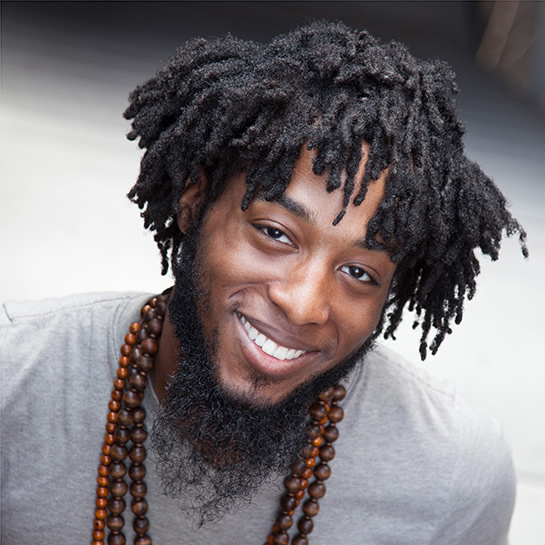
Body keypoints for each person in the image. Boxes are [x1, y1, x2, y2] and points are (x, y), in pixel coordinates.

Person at [1, 21, 528, 545]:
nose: (303, 305)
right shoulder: (16, 383)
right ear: (194, 203)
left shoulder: (453, 476)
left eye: (359, 272)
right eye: (275, 233)